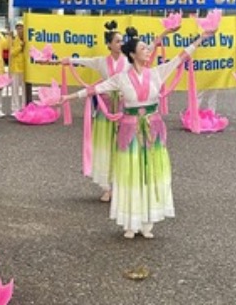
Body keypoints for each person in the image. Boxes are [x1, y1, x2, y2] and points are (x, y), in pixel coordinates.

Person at [61, 25, 212, 239]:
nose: (148, 51)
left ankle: (148, 220)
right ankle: (130, 221)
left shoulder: (157, 72)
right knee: (130, 174)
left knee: (150, 173)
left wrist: (201, 38)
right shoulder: (121, 78)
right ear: (132, 54)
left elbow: (181, 57)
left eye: (147, 48)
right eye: (143, 48)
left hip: (152, 129)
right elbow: (95, 89)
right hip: (129, 129)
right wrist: (68, 98)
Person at [62, 20, 128, 203]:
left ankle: (122, 185)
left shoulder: (129, 60)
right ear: (109, 44)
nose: (121, 44)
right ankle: (106, 187)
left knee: (122, 146)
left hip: (123, 108)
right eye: (117, 41)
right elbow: (84, 61)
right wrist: (69, 60)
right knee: (105, 146)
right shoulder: (101, 62)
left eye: (122, 41)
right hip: (106, 107)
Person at [8, 20, 27, 116]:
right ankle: (15, 108)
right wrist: (20, 47)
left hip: (25, 68)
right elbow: (12, 53)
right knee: (15, 89)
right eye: (18, 28)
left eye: (21, 27)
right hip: (15, 68)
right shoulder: (14, 40)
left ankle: (24, 107)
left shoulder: (27, 39)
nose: (20, 29)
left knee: (24, 90)